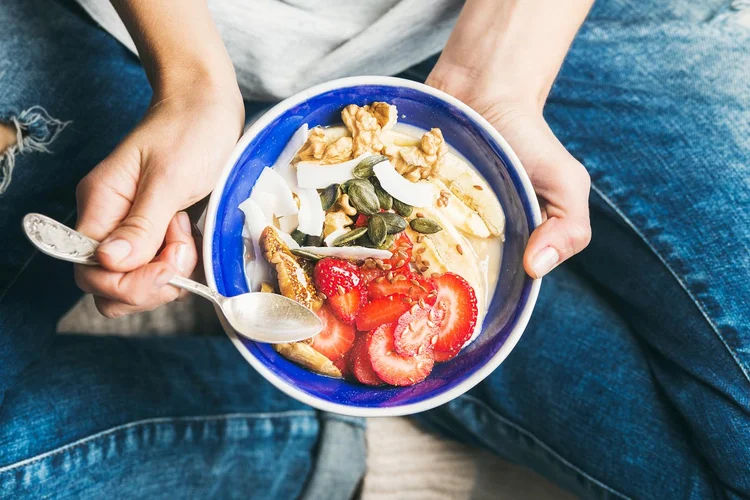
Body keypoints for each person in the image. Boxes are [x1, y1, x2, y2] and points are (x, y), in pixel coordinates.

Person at [1, 0, 748, 497]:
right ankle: (319, 430)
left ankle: (463, 360)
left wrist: (501, 73)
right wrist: (191, 79)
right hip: (133, 31)